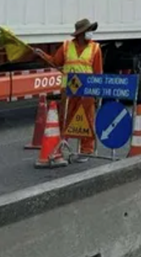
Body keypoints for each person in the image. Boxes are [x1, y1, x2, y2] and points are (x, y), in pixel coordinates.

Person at [34, 18, 102, 161]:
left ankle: (86, 150)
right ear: (81, 33)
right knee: (65, 118)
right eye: (88, 31)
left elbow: (98, 73)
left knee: (87, 119)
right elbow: (55, 62)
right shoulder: (66, 46)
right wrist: (42, 55)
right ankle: (63, 144)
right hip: (68, 89)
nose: (91, 33)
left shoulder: (95, 48)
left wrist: (97, 92)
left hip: (86, 90)